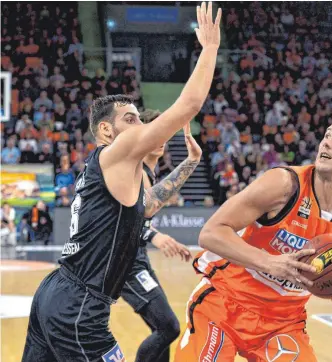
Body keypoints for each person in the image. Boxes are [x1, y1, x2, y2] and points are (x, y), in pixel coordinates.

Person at [22, 3, 221, 361]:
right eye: (131, 119)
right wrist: (209, 49)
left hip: (55, 293)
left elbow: (151, 202)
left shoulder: (105, 170)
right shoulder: (118, 150)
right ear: (105, 130)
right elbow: (189, 104)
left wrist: (190, 163)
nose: (140, 126)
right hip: (80, 306)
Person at [175, 111, 332, 361]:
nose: (326, 142)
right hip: (225, 304)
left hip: (284, 323)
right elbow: (210, 233)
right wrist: (269, 262)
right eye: (327, 136)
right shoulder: (284, 183)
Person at [120, 109, 197, 362]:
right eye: (156, 131)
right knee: (168, 327)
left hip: (136, 259)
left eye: (165, 132)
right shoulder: (134, 171)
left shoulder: (148, 173)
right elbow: (124, 222)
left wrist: (193, 159)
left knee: (162, 328)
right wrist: (153, 235)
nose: (161, 137)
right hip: (122, 262)